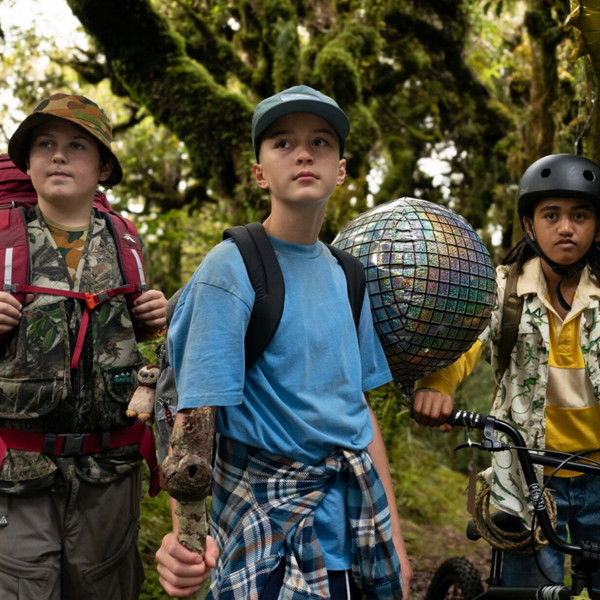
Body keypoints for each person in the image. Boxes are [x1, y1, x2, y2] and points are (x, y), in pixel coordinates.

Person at [155, 85, 412, 599]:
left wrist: (397, 546)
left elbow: (358, 412)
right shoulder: (231, 269)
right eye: (283, 143)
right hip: (266, 535)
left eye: (320, 142)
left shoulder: (349, 275)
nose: (303, 154)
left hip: (353, 531)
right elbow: (192, 416)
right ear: (259, 173)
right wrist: (187, 539)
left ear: (341, 169)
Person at [0, 93, 167, 599]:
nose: (58, 156)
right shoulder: (4, 240)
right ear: (27, 163)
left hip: (108, 473)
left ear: (103, 168)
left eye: (77, 145)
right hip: (16, 471)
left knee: (104, 584)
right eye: (44, 145)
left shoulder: (124, 243)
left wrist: (150, 317)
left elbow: (125, 340)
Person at [412, 153, 600, 596]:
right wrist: (436, 386)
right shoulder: (504, 290)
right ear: (530, 225)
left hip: (598, 471)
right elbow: (466, 342)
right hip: (526, 472)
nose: (566, 228)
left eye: (580, 215)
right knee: (527, 591)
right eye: (551, 215)